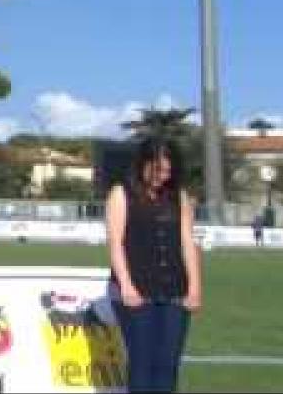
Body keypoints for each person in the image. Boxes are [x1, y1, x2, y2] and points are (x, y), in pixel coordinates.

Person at [105, 137, 203, 392]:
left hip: (175, 292)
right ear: (144, 163)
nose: (164, 177)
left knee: (168, 365)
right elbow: (116, 244)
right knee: (142, 364)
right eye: (158, 170)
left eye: (169, 171)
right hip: (135, 292)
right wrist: (126, 286)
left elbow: (187, 242)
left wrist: (194, 288)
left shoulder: (178, 196)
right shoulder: (120, 194)